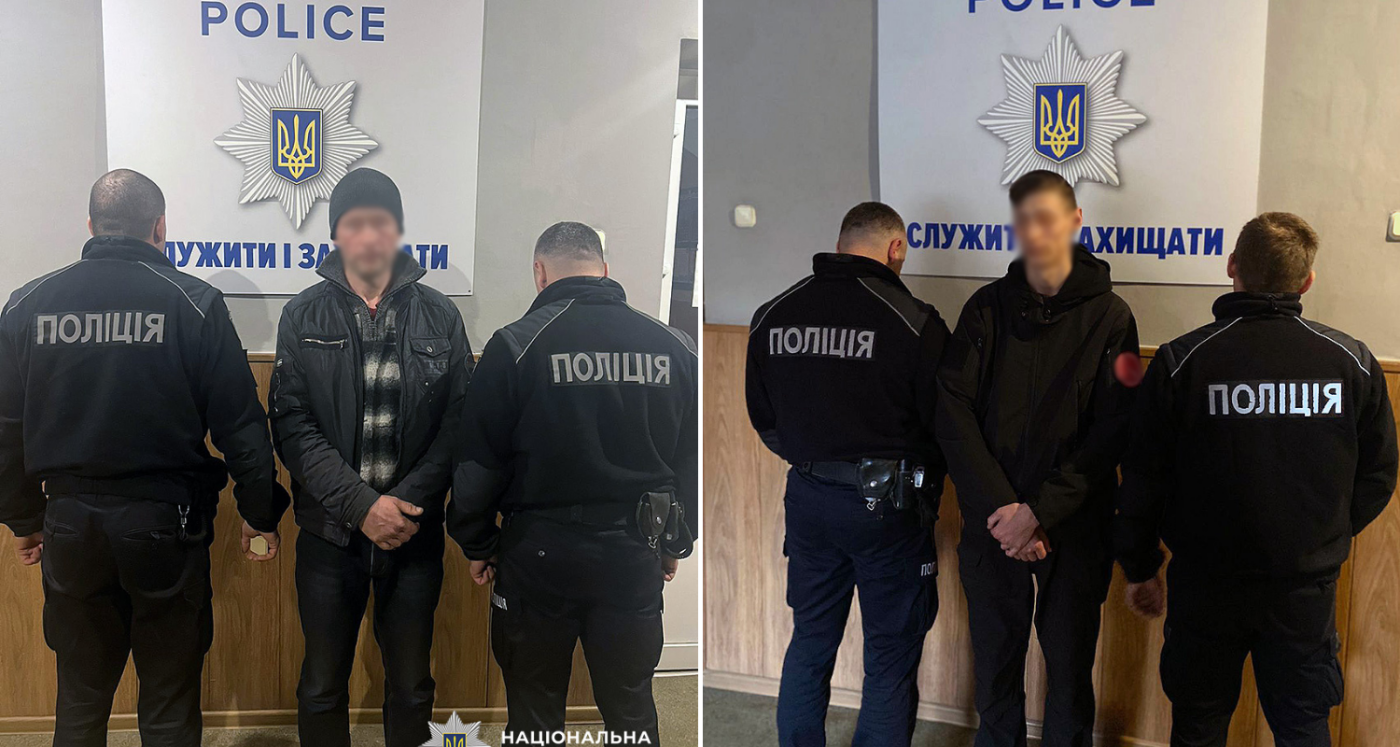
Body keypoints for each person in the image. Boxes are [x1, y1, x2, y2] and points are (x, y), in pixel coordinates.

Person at [0, 169, 288, 747]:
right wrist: (260, 512)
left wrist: (24, 519)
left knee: (79, 699)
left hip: (69, 524)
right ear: (159, 228)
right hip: (164, 526)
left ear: (91, 225)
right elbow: (240, 425)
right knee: (169, 700)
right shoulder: (194, 303)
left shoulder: (27, 304)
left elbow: (6, 430)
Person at [1114, 212, 1398, 747]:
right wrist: (1323, 537)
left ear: (1232, 267)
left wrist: (1140, 566)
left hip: (1206, 586)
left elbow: (1143, 477)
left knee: (1198, 724)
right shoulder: (1352, 363)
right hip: (1303, 592)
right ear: (1306, 281)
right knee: (1302, 727)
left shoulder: (1181, 362)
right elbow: (1379, 474)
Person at [447, 221, 697, 746]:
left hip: (539, 555)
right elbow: (691, 459)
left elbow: (478, 463)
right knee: (631, 706)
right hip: (635, 548)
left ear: (540, 273)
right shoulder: (675, 346)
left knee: (534, 709)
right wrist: (677, 540)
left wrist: (478, 543)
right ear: (605, 270)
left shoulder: (515, 346)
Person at [268, 168, 474, 747]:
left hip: (413, 532)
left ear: (398, 230)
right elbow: (292, 425)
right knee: (321, 684)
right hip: (329, 534)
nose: (368, 235)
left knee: (411, 685)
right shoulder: (302, 315)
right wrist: (362, 507)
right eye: (354, 223)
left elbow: (459, 424)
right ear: (336, 233)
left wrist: (400, 505)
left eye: (380, 222)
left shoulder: (441, 315)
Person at [936, 170, 1139, 747]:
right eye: (1024, 220)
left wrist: (1039, 513)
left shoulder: (1113, 317)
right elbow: (952, 409)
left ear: (1075, 221)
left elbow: (1113, 430)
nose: (1035, 232)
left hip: (1073, 528)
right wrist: (1005, 509)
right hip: (994, 525)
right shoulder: (985, 308)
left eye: (1047, 219)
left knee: (1070, 674)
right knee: (995, 668)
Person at [746, 202, 947, 747]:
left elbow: (765, 419)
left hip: (808, 497)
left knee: (810, 640)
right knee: (890, 654)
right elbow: (944, 428)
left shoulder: (773, 313)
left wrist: (817, 459)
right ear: (895, 248)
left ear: (839, 245)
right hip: (889, 506)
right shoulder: (915, 322)